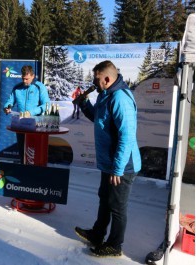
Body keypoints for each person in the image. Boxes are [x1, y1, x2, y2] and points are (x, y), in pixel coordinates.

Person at [74, 60, 142, 257]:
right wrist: (84, 103)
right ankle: (97, 234)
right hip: (110, 163)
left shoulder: (120, 98)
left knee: (117, 207)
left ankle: (115, 245)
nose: (94, 83)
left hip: (123, 165)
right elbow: (99, 118)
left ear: (106, 78)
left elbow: (127, 136)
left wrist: (118, 168)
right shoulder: (106, 94)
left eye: (96, 79)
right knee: (105, 199)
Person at [3, 65, 50, 163]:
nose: (24, 81)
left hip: (35, 125)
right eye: (23, 78)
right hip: (20, 124)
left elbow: (46, 105)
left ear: (33, 76)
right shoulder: (17, 88)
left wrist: (31, 112)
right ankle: (22, 170)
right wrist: (7, 107)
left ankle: (34, 173)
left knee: (33, 152)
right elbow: (10, 101)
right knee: (22, 151)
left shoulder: (39, 87)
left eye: (27, 79)